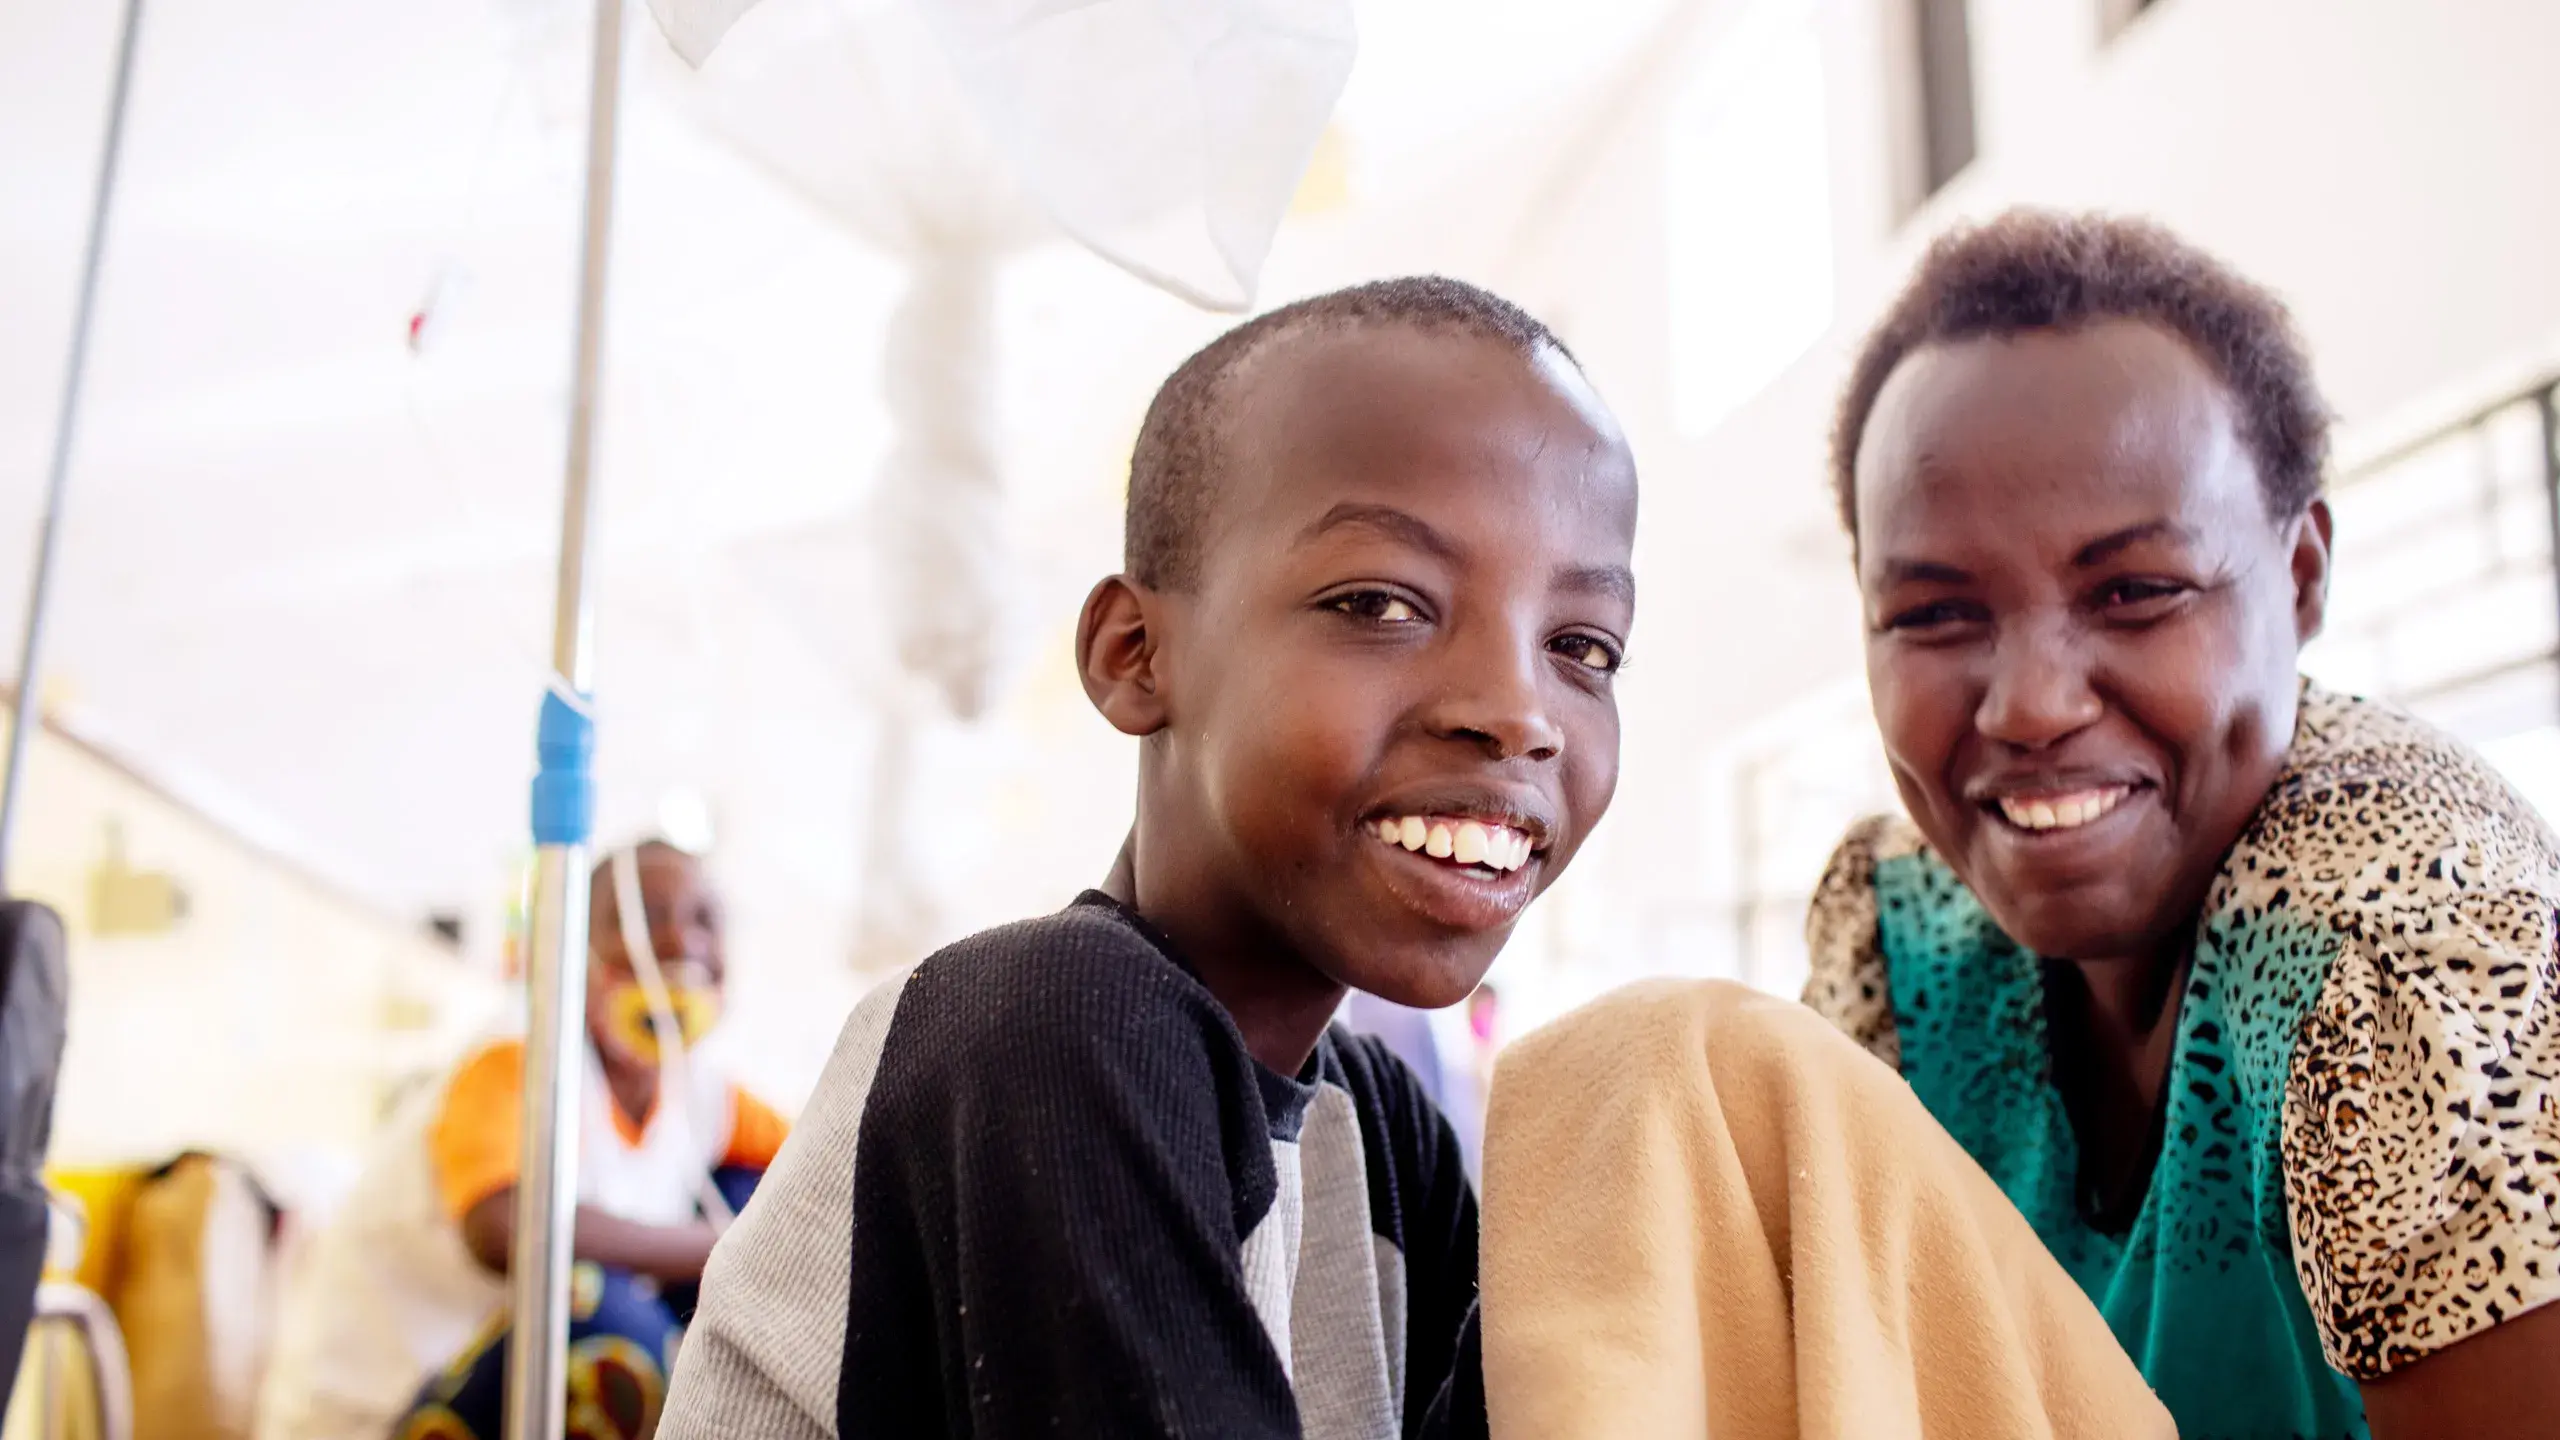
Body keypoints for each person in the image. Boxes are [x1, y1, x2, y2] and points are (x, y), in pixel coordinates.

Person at [1475, 210, 2560, 1440]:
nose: (2032, 705)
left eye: (2136, 592)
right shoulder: (1907, 926)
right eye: (1935, 615)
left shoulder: (2414, 942)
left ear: (2301, 573)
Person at [657, 275, 1639, 1439]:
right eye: (1380, 603)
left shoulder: (1377, 1133)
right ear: (1134, 654)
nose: (1518, 713)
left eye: (1583, 646)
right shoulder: (1050, 1023)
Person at [257, 841, 791, 1440]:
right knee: (605, 1320)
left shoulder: (701, 1090)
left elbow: (824, 1161)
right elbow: (504, 1229)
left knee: (756, 1193)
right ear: (573, 944)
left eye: (704, 919)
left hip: (493, 1384)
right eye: (644, 917)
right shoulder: (521, 1052)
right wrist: (723, 1247)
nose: (679, 940)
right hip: (380, 1411)